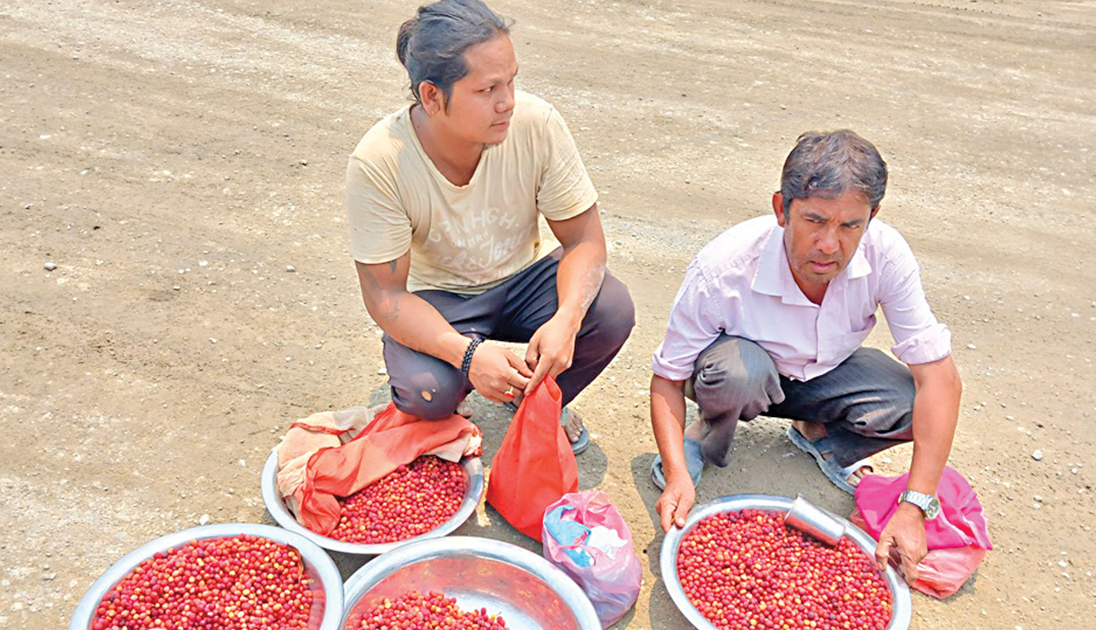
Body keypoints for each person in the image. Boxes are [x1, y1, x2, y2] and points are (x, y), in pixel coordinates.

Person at [648, 130, 961, 583]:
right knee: (738, 373)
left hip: (825, 373)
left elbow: (941, 381)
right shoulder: (724, 267)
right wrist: (676, 473)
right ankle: (703, 437)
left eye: (850, 225)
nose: (830, 244)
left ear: (872, 217)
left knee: (915, 402)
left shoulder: (887, 255)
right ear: (781, 209)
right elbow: (668, 380)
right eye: (815, 220)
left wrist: (915, 506)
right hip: (743, 376)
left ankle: (819, 438)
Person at [344, 0, 634, 452]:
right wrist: (467, 356)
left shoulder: (536, 124)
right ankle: (453, 396)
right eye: (488, 90)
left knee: (610, 310)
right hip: (440, 298)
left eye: (512, 80)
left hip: (523, 279)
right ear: (432, 97)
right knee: (428, 391)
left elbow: (584, 240)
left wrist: (567, 318)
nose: (508, 102)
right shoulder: (380, 161)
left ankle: (540, 402)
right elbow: (385, 296)